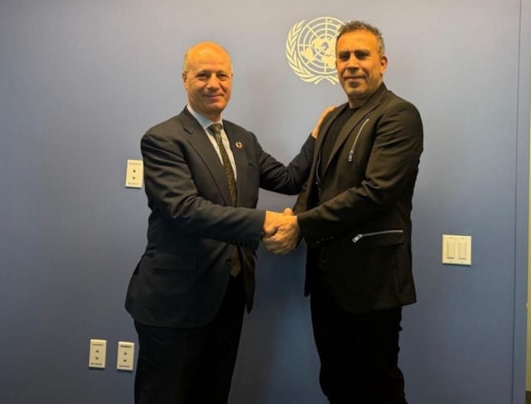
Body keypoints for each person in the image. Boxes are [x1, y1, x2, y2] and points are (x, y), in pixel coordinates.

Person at [124, 41, 326, 404]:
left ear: (231, 79)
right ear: (185, 80)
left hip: (229, 295)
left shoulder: (242, 139)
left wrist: (317, 137)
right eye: (203, 75)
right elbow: (185, 209)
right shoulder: (163, 139)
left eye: (222, 75)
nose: (213, 83)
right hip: (175, 301)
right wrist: (264, 222)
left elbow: (288, 179)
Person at [265, 21, 424, 404]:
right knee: (336, 384)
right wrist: (295, 220)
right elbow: (313, 186)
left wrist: (300, 224)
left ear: (382, 62)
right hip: (327, 279)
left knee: (378, 389)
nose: (351, 63)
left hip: (373, 281)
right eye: (343, 56)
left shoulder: (399, 115)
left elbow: (375, 193)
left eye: (361, 55)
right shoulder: (332, 119)